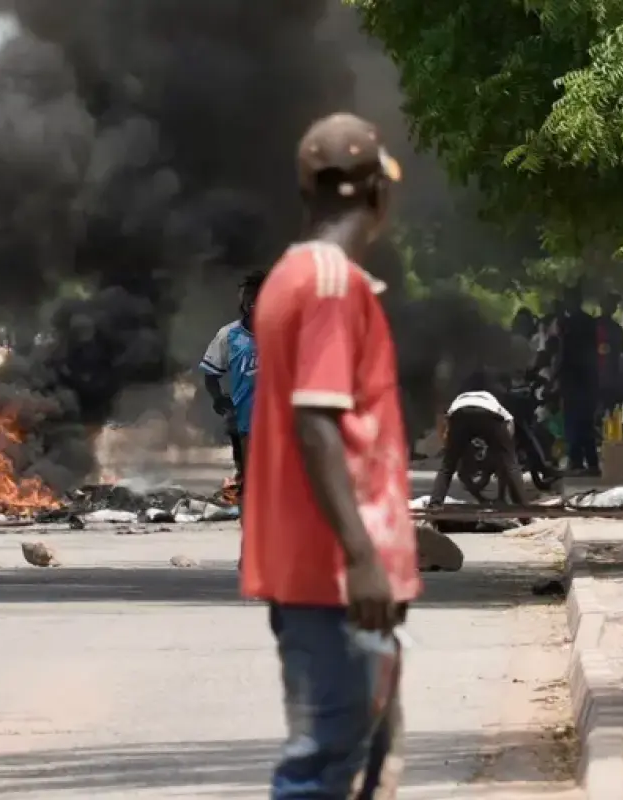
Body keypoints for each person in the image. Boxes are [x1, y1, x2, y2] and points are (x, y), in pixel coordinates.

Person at [243, 112, 450, 799]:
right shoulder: (333, 284)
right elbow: (316, 423)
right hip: (334, 577)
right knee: (326, 761)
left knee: (361, 759)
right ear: (375, 194)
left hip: (329, 571)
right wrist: (362, 559)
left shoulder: (290, 276)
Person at [200, 271, 265, 488]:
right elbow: (211, 375)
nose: (252, 303)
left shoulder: (285, 332)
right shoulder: (229, 335)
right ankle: (250, 519)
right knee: (248, 479)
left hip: (279, 420)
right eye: (248, 297)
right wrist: (219, 399)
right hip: (243, 421)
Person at [428, 375, 527, 507]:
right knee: (511, 465)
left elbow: (447, 426)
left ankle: (435, 504)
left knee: (447, 466)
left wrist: (451, 450)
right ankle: (522, 507)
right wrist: (507, 450)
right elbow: (509, 423)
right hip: (488, 415)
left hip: (460, 415)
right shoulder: (491, 400)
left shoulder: (459, 399)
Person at [557, 286, 600, 476]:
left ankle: (577, 462)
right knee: (585, 422)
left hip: (574, 380)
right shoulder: (590, 322)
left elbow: (563, 353)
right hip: (588, 378)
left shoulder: (567, 324)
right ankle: (591, 462)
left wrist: (555, 377)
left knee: (574, 423)